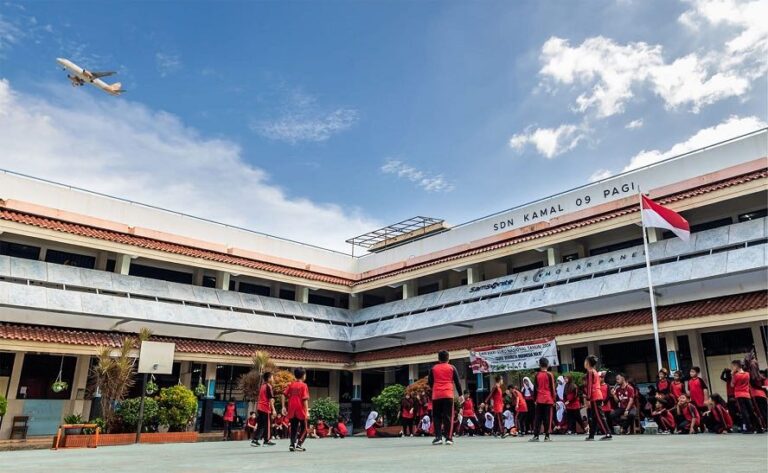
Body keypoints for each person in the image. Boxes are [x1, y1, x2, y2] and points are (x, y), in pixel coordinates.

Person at [428, 350, 463, 445]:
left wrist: (435, 388)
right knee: (448, 416)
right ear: (448, 358)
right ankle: (449, 438)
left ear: (438, 359)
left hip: (436, 395)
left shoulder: (433, 368)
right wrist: (460, 394)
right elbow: (457, 382)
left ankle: (438, 437)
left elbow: (430, 382)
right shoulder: (452, 368)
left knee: (436, 416)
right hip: (448, 395)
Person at [584, 355, 612, 441]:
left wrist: (588, 398)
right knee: (594, 417)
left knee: (599, 416)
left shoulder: (590, 372)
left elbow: (589, 386)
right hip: (597, 395)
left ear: (588, 363)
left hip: (594, 396)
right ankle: (591, 435)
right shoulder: (594, 371)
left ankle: (607, 433)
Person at [284, 366, 310, 452]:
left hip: (291, 409)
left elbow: (283, 395)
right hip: (300, 409)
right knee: (305, 428)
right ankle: (299, 444)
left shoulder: (291, 384)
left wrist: (283, 406)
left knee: (294, 428)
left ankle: (292, 444)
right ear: (303, 375)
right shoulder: (304, 385)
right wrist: (307, 412)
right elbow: (305, 399)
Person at [530, 356, 556, 442]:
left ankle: (536, 436)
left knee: (538, 418)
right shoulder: (550, 374)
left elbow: (535, 388)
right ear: (547, 365)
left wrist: (534, 400)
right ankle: (547, 436)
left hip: (539, 399)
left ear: (539, 365)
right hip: (548, 399)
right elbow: (552, 388)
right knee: (547, 418)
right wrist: (554, 400)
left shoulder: (537, 375)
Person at [251, 371, 277, 447]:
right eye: (272, 377)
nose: (273, 378)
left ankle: (255, 440)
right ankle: (267, 441)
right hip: (265, 408)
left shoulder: (262, 386)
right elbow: (271, 399)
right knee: (267, 425)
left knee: (261, 425)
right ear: (269, 378)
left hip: (260, 408)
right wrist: (274, 410)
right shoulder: (269, 386)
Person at [731, 359, 756, 433]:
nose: (732, 368)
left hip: (739, 395)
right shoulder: (747, 374)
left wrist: (732, 375)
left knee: (744, 412)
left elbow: (732, 384)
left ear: (736, 366)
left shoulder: (736, 375)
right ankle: (757, 427)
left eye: (733, 366)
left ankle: (748, 429)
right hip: (747, 394)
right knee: (751, 411)